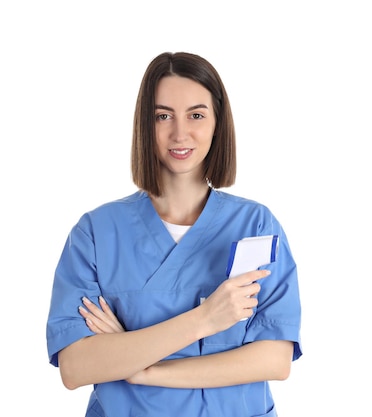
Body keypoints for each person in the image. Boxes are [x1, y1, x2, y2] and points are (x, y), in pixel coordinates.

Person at [46, 51, 302, 417]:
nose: (180, 133)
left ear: (217, 123)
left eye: (196, 115)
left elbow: (274, 359)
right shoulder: (96, 234)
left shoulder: (256, 226)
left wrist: (142, 368)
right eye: (163, 116)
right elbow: (75, 368)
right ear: (144, 125)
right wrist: (204, 320)